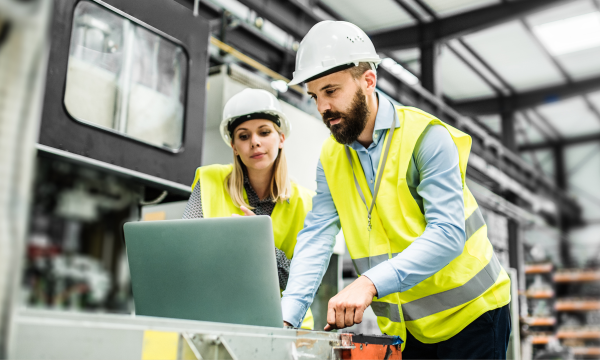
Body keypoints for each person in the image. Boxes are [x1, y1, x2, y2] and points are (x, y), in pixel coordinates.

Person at [281, 21, 511, 359]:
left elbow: (448, 233)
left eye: (331, 91)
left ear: (368, 81)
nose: (322, 108)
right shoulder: (330, 158)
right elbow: (317, 236)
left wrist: (369, 283)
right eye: (315, 96)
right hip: (410, 329)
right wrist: (288, 317)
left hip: (474, 316)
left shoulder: (426, 138)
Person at [182, 88, 314, 330]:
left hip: (286, 325)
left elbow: (302, 280)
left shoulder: (306, 202)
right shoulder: (210, 181)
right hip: (219, 318)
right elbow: (186, 253)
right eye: (243, 136)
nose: (255, 142)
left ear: (281, 138)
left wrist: (260, 244)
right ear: (234, 146)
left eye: (264, 132)